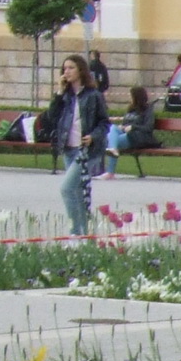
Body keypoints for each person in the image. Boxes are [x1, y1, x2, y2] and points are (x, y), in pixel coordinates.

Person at [45, 55, 108, 235]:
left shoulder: (93, 95)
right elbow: (51, 117)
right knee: (78, 192)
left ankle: (74, 232)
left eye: (71, 68)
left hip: (87, 151)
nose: (67, 71)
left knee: (66, 188)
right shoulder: (65, 96)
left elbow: (104, 122)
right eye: (64, 68)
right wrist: (59, 93)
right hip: (68, 148)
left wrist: (93, 136)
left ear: (80, 70)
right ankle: (85, 233)